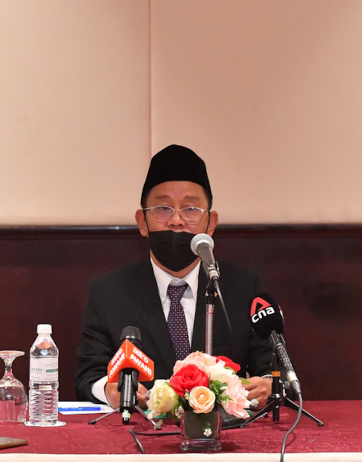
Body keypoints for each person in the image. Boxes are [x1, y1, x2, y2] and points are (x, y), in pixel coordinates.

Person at [75, 144, 273, 408]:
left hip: (221, 438)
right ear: (142, 222)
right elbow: (88, 376)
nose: (177, 221)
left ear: (211, 224)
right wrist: (110, 390)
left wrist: (268, 383)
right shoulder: (108, 292)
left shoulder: (243, 288)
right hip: (138, 434)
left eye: (190, 209)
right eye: (163, 208)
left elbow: (271, 368)